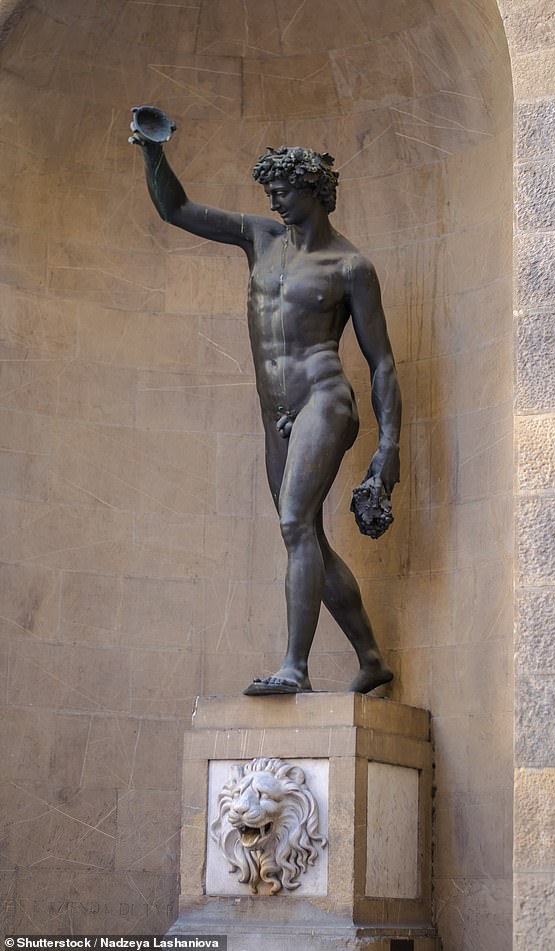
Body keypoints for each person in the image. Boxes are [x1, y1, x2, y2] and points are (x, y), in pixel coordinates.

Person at [131, 125, 401, 695]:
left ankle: (295, 668)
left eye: (283, 188)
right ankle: (371, 658)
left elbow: (381, 362)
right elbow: (175, 208)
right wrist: (154, 150)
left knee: (293, 522)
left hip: (325, 399)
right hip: (275, 412)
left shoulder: (350, 267)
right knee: (305, 537)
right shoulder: (259, 238)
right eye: (269, 188)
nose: (272, 199)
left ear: (315, 191)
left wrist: (388, 449)